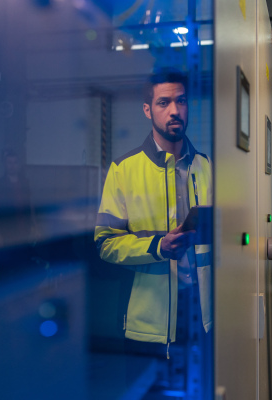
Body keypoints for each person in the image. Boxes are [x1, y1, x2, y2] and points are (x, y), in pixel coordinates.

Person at [94, 68, 212, 358]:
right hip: (149, 321)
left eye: (181, 101)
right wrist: (158, 246)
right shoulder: (124, 170)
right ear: (147, 110)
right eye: (163, 103)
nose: (174, 111)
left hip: (202, 314)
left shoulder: (206, 166)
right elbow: (105, 243)